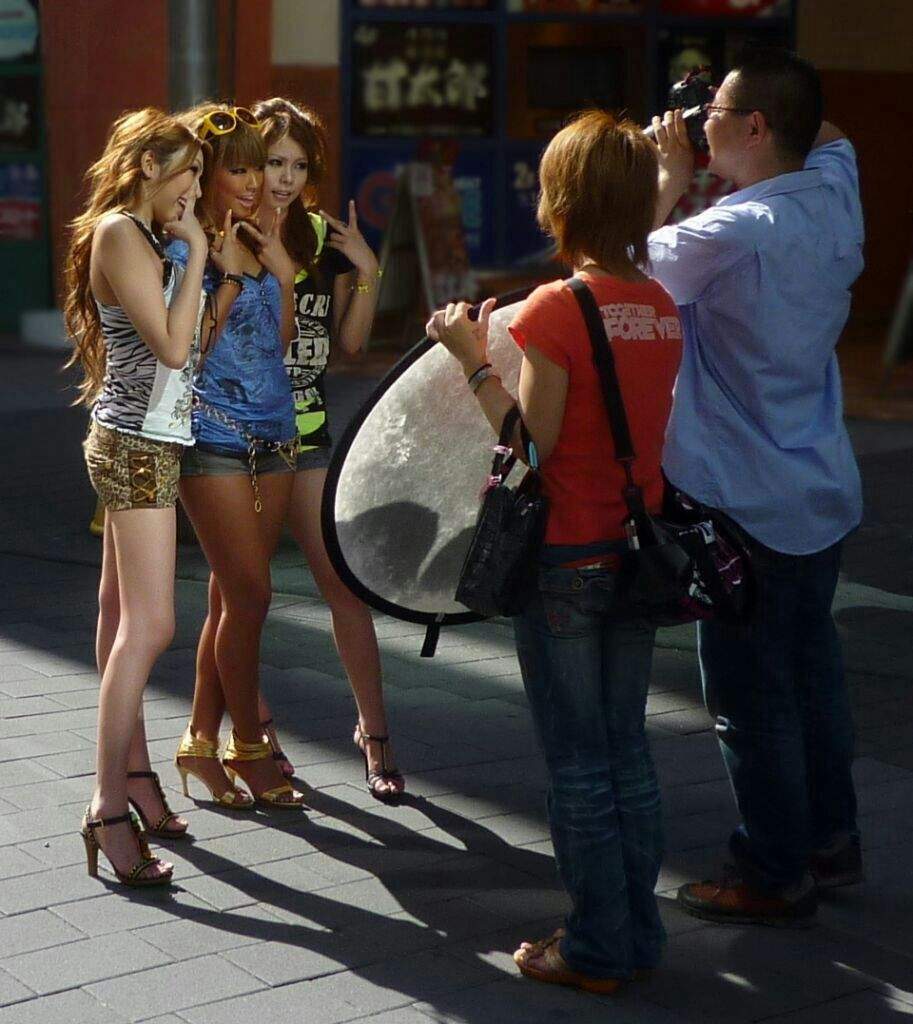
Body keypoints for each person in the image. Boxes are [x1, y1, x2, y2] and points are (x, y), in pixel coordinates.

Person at [429, 111, 682, 991]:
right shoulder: (656, 306)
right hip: (634, 550)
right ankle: (638, 931)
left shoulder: (557, 306)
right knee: (625, 752)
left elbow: (527, 446)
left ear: (563, 199)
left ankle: (596, 946)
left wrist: (469, 356)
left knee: (578, 762)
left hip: (567, 555)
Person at [648, 47, 864, 926]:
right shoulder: (833, 187)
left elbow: (615, 276)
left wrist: (666, 176)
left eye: (716, 111)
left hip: (739, 500)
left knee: (748, 697)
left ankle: (771, 869)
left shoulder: (726, 230)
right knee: (812, 675)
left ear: (757, 128)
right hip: (819, 489)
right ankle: (830, 842)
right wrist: (733, 93)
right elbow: (830, 128)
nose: (700, 122)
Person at [65, 108, 207, 885]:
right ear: (149, 165)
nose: (194, 188)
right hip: (136, 445)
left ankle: (137, 780)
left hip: (144, 437)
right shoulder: (123, 231)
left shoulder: (141, 234)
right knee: (152, 625)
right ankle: (105, 805)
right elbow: (174, 347)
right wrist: (197, 250)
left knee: (121, 618)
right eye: (186, 170)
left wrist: (188, 253)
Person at [250, 96, 404, 804]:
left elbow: (348, 347)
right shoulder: (232, 231)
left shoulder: (317, 234)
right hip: (240, 434)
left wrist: (365, 265)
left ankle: (373, 733)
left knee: (342, 584)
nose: (284, 178)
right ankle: (254, 735)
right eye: (272, 161)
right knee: (244, 596)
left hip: (308, 429)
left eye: (298, 164)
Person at [170, 103, 305, 809]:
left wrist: (279, 270)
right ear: (207, 174)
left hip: (276, 435)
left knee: (232, 597)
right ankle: (249, 743)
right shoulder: (182, 243)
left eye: (266, 166)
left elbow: (276, 346)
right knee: (253, 594)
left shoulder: (257, 238)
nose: (256, 182)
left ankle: (198, 741)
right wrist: (221, 271)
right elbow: (187, 349)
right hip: (215, 439)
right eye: (242, 167)